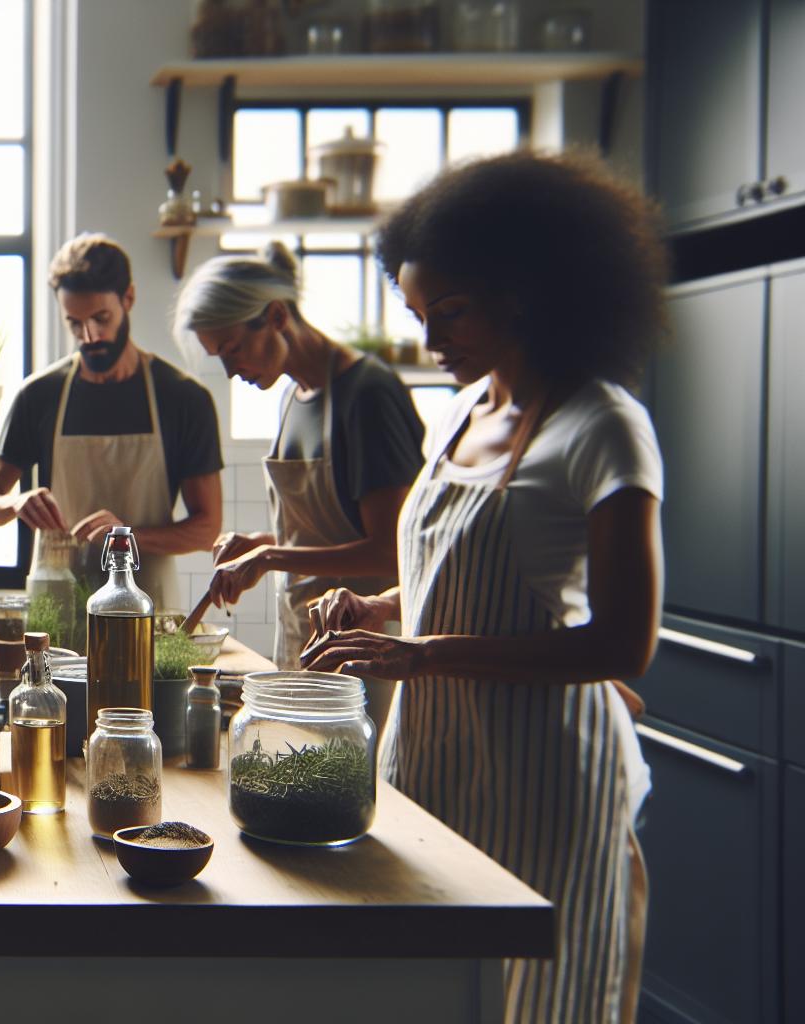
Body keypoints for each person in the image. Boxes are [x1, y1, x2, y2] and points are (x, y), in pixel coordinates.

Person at [301, 151, 666, 1023]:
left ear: (529, 290)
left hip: (544, 780)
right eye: (420, 315)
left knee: (529, 1000)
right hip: (431, 762)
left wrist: (423, 653)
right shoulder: (465, 410)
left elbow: (624, 645)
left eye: (451, 314)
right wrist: (379, 612)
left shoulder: (604, 428)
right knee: (433, 994)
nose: (432, 343)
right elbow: (445, 576)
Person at [174, 242, 424, 668]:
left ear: (276, 317)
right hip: (304, 637)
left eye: (232, 348)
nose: (231, 372)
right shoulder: (293, 396)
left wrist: (270, 557)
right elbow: (330, 534)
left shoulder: (367, 394)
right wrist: (260, 544)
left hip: (367, 650)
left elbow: (391, 550)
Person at [0, 233, 224, 609]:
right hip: (59, 609)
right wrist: (16, 504)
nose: (89, 336)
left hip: (147, 612)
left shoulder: (183, 399)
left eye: (100, 319)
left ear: (129, 299)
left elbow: (207, 529)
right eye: (74, 323)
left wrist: (126, 538)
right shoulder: (39, 396)